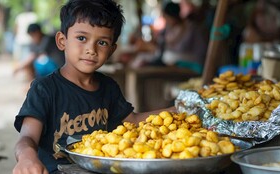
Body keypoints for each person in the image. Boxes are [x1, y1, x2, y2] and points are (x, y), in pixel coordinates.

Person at [12, 0, 175, 173]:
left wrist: (175, 110)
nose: (91, 49)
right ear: (62, 41)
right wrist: (27, 157)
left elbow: (133, 121)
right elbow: (27, 138)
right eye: (82, 38)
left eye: (102, 42)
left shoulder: (109, 87)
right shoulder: (45, 89)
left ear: (112, 50)